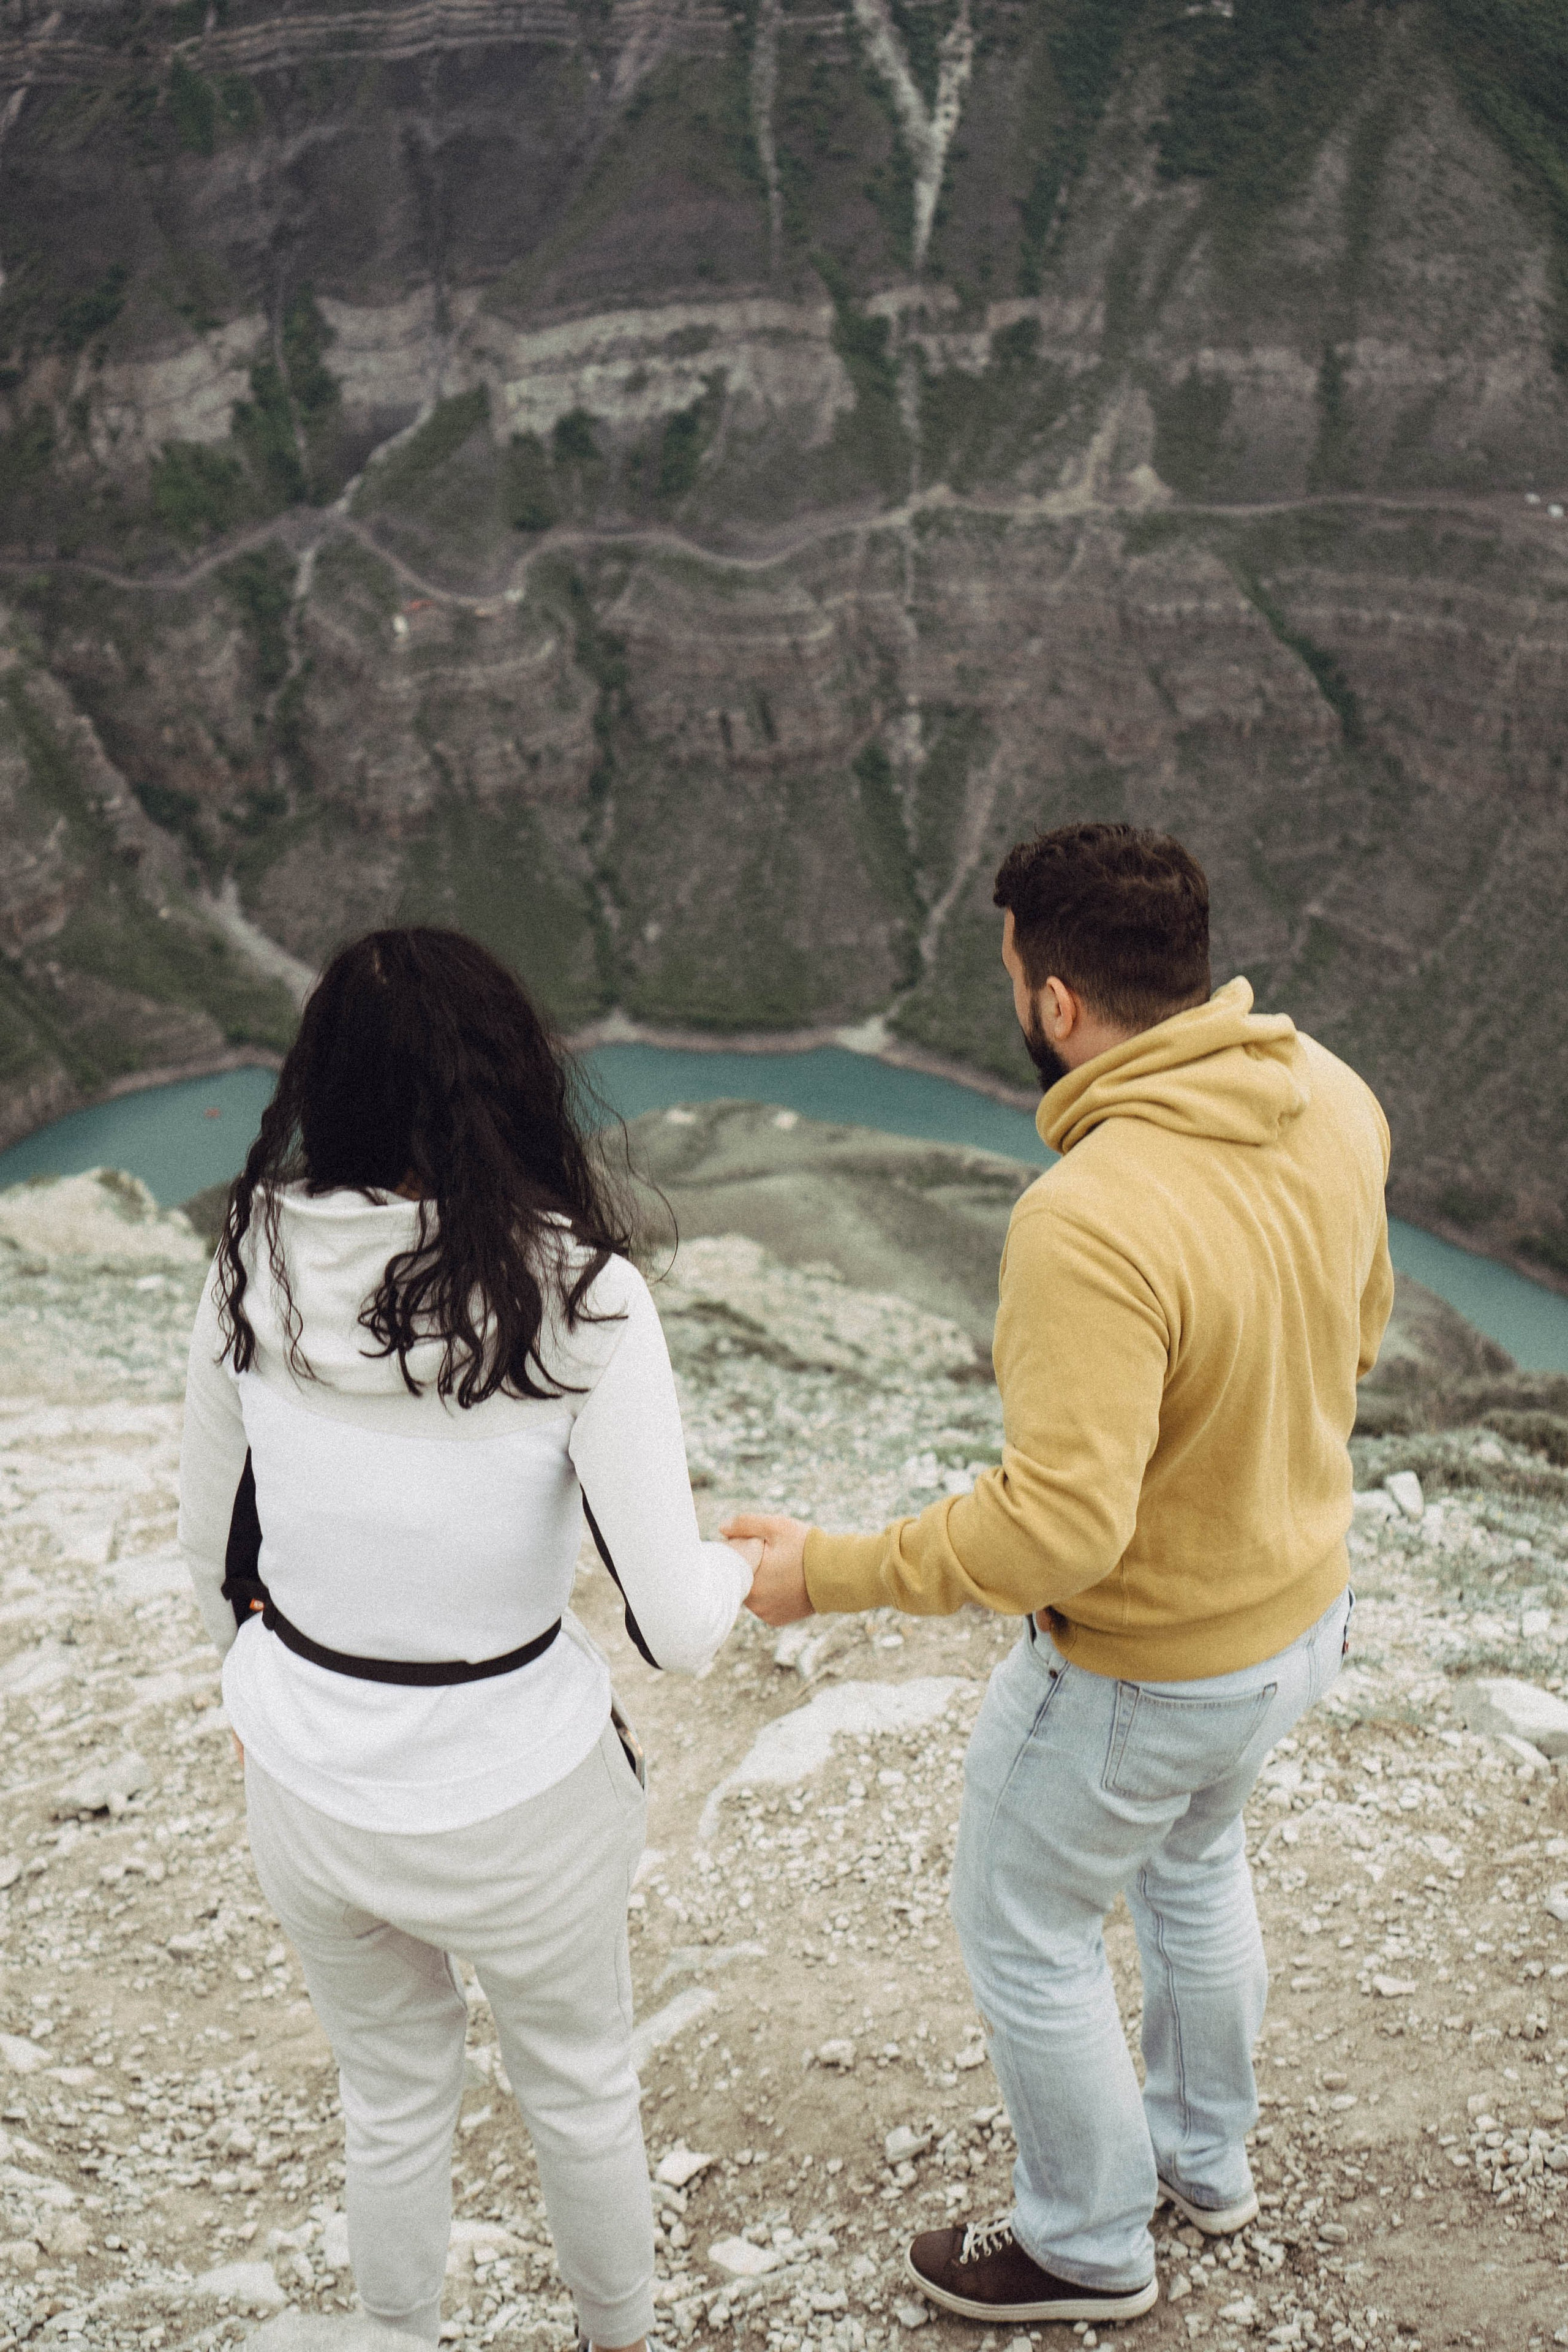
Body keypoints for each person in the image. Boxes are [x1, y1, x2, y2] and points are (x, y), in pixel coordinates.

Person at [727, 821, 1393, 2328]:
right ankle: (1201, 2166)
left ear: (1054, 1004)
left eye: (1009, 969)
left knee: (1023, 1926)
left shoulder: (1089, 1214)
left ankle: (1085, 2246)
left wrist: (818, 1574)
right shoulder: (1333, 1097)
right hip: (1298, 1619)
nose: (1011, 994)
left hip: (1144, 1670)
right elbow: (1353, 1341)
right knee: (1193, 1868)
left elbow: (1057, 1534)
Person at [178, 927, 760, 2351]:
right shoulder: (582, 1296)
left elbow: (214, 1552)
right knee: (577, 2087)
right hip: (520, 1791)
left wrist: (263, 1689)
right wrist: (743, 1561)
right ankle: (614, 2338)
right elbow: (676, 1631)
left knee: (387, 2092)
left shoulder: (247, 1255)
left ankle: (395, 2333)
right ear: (512, 1082)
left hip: (308, 1781)